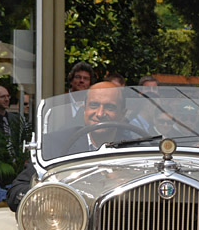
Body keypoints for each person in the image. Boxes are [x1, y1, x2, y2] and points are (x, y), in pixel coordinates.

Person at [7, 81, 129, 210]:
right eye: (94, 105)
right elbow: (16, 192)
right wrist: (54, 193)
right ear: (84, 109)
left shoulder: (137, 148)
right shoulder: (55, 143)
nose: (100, 113)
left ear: (123, 113)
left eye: (110, 107)